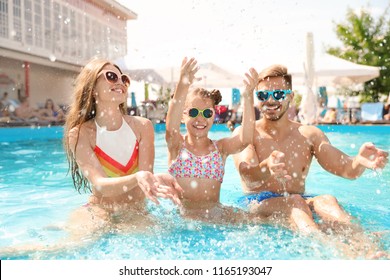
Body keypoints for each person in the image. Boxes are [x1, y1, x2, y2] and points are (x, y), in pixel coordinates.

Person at [1, 58, 183, 257]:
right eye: (111, 77)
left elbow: (145, 178)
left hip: (135, 211)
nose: (120, 83)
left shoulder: (143, 126)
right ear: (93, 88)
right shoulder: (80, 133)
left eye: (123, 79)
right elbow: (100, 183)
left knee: (151, 248)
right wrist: (138, 177)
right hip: (99, 209)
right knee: (67, 248)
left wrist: (154, 179)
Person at [232, 64, 388, 258]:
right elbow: (248, 176)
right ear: (257, 99)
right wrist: (266, 167)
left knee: (326, 200)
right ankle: (346, 255)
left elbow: (347, 170)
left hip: (299, 202)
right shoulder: (247, 133)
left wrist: (359, 161)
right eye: (263, 96)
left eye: (278, 94)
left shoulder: (309, 134)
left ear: (290, 96)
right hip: (257, 203)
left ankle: (369, 248)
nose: (270, 100)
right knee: (295, 202)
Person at [165, 57, 257, 223]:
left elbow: (245, 138)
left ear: (214, 116)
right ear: (182, 115)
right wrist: (183, 83)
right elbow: (170, 127)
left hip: (216, 217)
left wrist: (248, 97)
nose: (200, 119)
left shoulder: (220, 148)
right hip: (184, 220)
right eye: (193, 113)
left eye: (207, 113)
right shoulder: (177, 145)